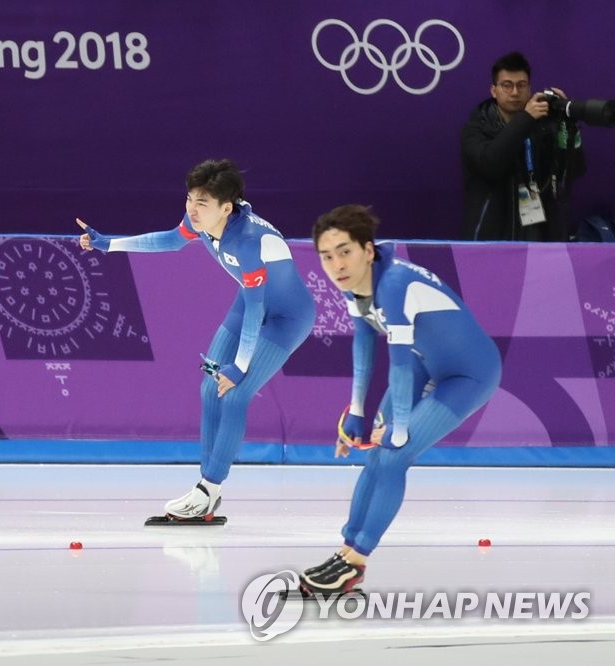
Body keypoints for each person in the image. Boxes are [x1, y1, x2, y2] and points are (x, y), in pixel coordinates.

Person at [78, 159, 315, 521]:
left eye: (201, 203)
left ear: (226, 207)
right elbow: (169, 240)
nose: (192, 209)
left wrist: (240, 366)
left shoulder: (249, 242)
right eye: (190, 198)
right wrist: (108, 244)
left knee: (234, 393)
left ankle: (210, 488)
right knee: (209, 388)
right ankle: (204, 490)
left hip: (286, 318)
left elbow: (257, 311)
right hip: (248, 304)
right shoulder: (201, 219)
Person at [302, 204, 501, 595]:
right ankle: (346, 551)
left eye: (345, 252)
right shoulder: (354, 286)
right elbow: (363, 348)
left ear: (368, 250)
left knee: (394, 454)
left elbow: (397, 363)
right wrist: (357, 412)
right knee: (376, 455)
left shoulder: (394, 285)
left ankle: (357, 561)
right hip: (424, 362)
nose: (336, 265)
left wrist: (399, 429)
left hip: (469, 375)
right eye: (326, 256)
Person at [461, 51, 585, 241]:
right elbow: (491, 164)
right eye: (507, 85)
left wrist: (567, 125)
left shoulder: (542, 127)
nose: (515, 93)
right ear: (493, 90)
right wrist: (526, 118)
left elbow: (574, 170)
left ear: (529, 89)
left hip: (538, 234)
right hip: (491, 237)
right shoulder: (475, 129)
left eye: (521, 85)